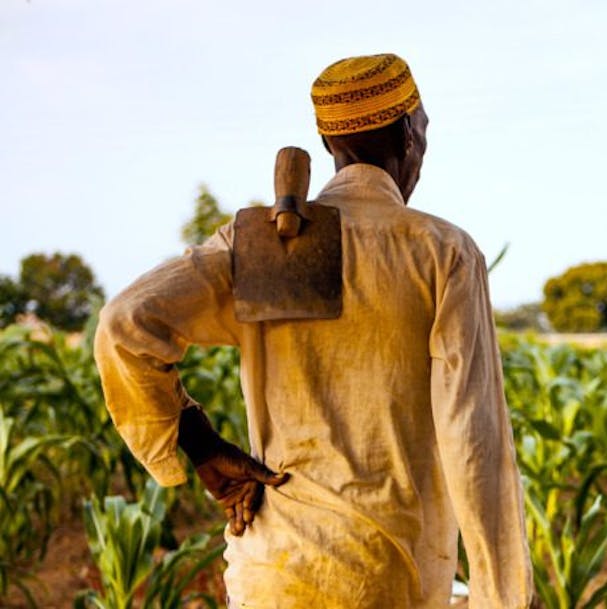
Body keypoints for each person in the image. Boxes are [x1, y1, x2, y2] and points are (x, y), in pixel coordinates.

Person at [94, 53, 533, 608]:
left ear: (331, 146)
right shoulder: (440, 252)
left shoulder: (257, 244)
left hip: (271, 569)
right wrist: (507, 594)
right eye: (423, 131)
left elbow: (123, 325)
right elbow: (474, 438)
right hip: (386, 571)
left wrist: (202, 445)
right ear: (408, 136)